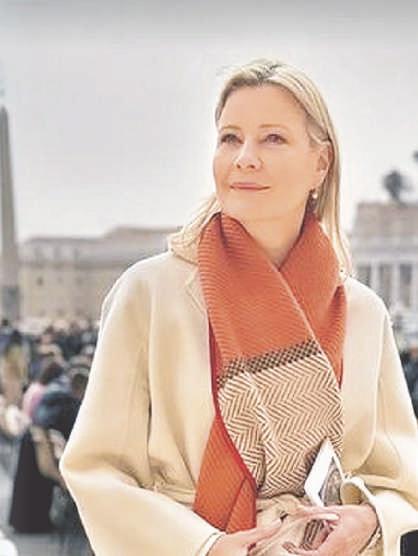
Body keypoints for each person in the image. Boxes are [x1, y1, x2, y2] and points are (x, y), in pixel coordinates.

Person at [59, 58, 418, 556]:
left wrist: (370, 520)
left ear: (321, 164)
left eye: (273, 139)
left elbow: (401, 476)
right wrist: (205, 546)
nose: (245, 158)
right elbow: (96, 468)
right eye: (230, 138)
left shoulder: (364, 312)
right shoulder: (148, 293)